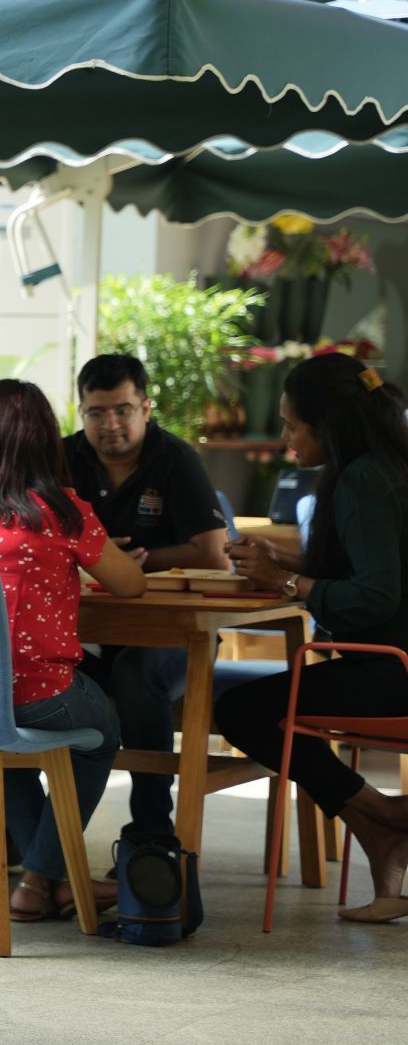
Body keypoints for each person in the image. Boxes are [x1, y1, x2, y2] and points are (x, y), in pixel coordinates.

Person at [0, 379, 145, 922]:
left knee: (9, 745)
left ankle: (53, 882)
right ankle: (38, 879)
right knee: (101, 732)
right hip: (33, 690)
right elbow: (131, 585)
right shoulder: (61, 511)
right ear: (45, 441)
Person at [216, 354, 408, 923]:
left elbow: (376, 596)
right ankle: (379, 828)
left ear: (329, 427)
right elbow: (368, 567)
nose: (284, 438)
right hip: (390, 664)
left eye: (292, 425)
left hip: (391, 671)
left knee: (245, 711)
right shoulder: (385, 466)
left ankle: (385, 814)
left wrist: (289, 583)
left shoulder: (362, 480)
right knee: (258, 707)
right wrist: (282, 561)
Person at [67, 354, 231, 840]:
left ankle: (152, 829)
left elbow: (214, 554)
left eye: (122, 410)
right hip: (86, 634)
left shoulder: (175, 460)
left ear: (146, 408)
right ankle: (35, 835)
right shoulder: (62, 457)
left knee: (135, 672)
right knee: (22, 670)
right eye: (96, 413)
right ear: (81, 414)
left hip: (174, 639)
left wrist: (131, 561)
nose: (110, 424)